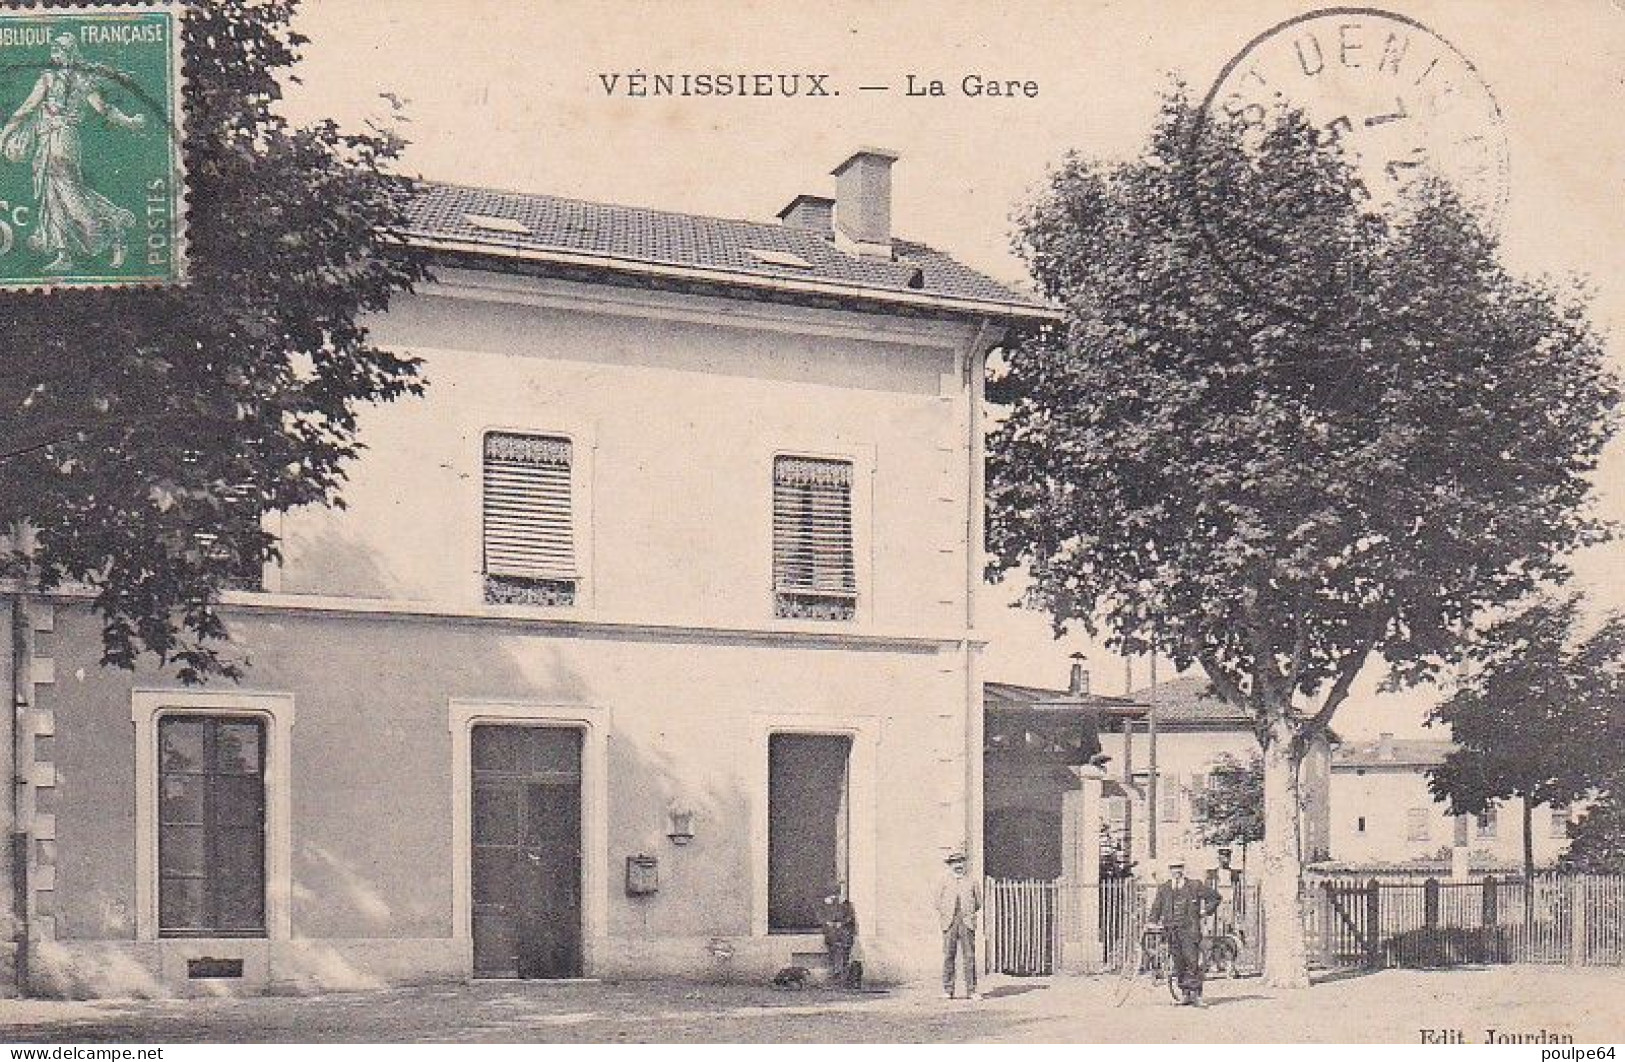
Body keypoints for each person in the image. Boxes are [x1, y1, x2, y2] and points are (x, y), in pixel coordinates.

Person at [0, 34, 145, 273]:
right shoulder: (77, 79)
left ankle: (115, 225)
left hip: (60, 141)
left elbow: (27, 108)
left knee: (70, 196)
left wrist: (4, 133)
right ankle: (63, 253)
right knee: (54, 194)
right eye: (54, 53)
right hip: (55, 140)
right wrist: (129, 122)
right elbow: (104, 110)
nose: (55, 58)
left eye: (59, 53)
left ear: (69, 54)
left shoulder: (56, 79)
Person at [1148, 856, 1222, 1007]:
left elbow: (1215, 897)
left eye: (1179, 867)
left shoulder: (1195, 885)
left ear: (1183, 869)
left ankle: (1197, 995)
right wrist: (1151, 922)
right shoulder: (1164, 888)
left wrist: (1204, 911)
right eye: (1173, 867)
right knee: (1178, 963)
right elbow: (1156, 907)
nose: (1176, 871)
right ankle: (1185, 994)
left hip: (1190, 930)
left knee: (1192, 962)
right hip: (1171, 931)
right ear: (1170, 870)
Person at [934, 850, 982, 1000]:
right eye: (955, 862)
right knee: (949, 955)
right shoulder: (944, 881)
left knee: (969, 956)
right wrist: (947, 913)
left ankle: (972, 991)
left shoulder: (972, 881)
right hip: (949, 922)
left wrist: (968, 913)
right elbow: (937, 901)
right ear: (950, 865)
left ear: (964, 864)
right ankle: (948, 990)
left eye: (961, 862)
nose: (958, 865)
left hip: (966, 921)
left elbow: (978, 902)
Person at [820, 887, 857, 987]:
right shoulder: (831, 905)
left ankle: (842, 979)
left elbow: (850, 918)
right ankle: (837, 977)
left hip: (845, 936)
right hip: (834, 937)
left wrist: (840, 923)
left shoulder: (846, 905)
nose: (832, 898)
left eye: (834, 896)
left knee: (843, 957)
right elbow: (826, 918)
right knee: (834, 956)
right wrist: (829, 923)